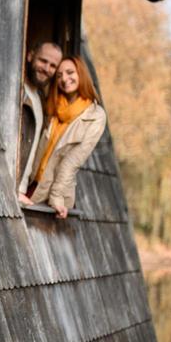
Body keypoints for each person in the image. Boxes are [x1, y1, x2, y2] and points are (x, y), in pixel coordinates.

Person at [27, 55, 106, 219]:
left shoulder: (95, 116)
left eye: (70, 73)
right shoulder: (53, 107)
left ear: (81, 75)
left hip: (55, 195)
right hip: (32, 184)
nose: (64, 79)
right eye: (59, 75)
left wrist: (56, 197)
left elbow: (72, 161)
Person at [18, 41, 63, 204]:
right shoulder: (16, 92)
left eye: (52, 66)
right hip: (9, 190)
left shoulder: (42, 103)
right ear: (30, 56)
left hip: (24, 193)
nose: (46, 69)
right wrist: (12, 189)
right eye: (43, 61)